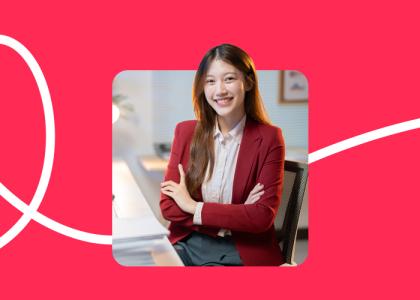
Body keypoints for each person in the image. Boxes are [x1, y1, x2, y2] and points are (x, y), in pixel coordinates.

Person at [160, 44, 285, 266]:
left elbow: (260, 218)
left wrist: (192, 206)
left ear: (247, 82)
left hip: (239, 248)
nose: (219, 91)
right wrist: (237, 214)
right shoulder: (185, 132)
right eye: (210, 81)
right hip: (187, 244)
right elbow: (168, 208)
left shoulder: (269, 138)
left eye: (229, 79)